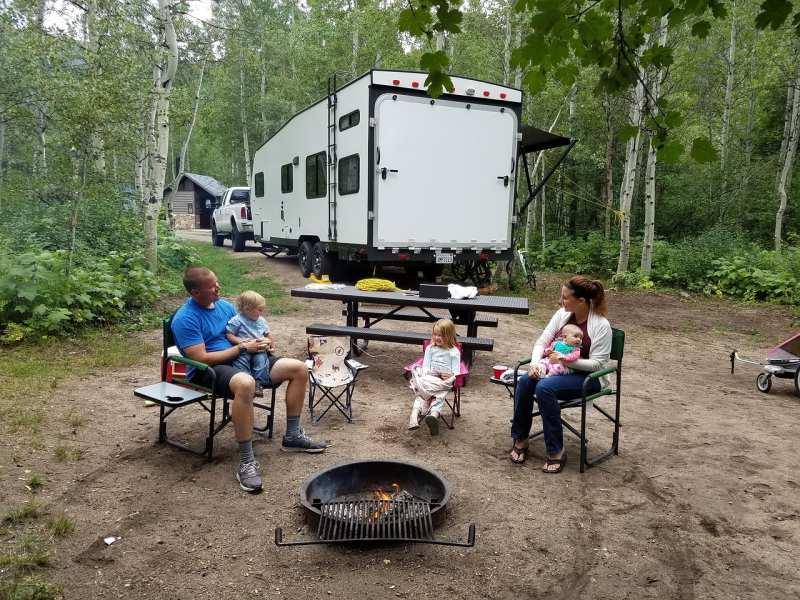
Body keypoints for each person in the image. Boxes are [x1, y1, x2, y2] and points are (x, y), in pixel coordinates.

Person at [171, 266, 326, 494]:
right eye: (212, 286)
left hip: (247, 357)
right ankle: (246, 461)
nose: (218, 288)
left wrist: (265, 342)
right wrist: (242, 348)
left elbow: (247, 328)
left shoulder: (224, 306)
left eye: (217, 282)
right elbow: (201, 358)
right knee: (245, 383)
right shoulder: (185, 318)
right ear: (195, 292)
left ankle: (292, 436)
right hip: (210, 369)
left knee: (299, 368)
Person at [509, 276, 611, 473]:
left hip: (588, 378)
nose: (560, 301)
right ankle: (520, 438)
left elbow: (598, 364)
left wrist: (565, 360)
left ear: (581, 300)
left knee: (544, 387)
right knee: (526, 381)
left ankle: (556, 450)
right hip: (555, 371)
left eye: (565, 297)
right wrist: (535, 365)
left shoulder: (601, 325)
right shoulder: (561, 315)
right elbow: (542, 342)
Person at [407, 319, 461, 436]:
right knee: (424, 390)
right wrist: (431, 373)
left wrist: (451, 375)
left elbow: (456, 371)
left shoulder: (454, 352)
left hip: (444, 381)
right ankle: (419, 416)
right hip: (430, 379)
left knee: (437, 392)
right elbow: (426, 367)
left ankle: (429, 416)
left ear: (449, 336)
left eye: (441, 335)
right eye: (435, 334)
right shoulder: (430, 349)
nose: (437, 338)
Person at [226, 290, 273, 391]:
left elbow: (268, 335)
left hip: (259, 348)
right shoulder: (237, 320)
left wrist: (269, 343)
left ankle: (259, 383)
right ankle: (247, 381)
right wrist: (240, 341)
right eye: (259, 310)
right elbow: (229, 334)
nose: (262, 312)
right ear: (247, 309)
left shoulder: (261, 320)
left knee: (261, 361)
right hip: (244, 349)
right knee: (241, 362)